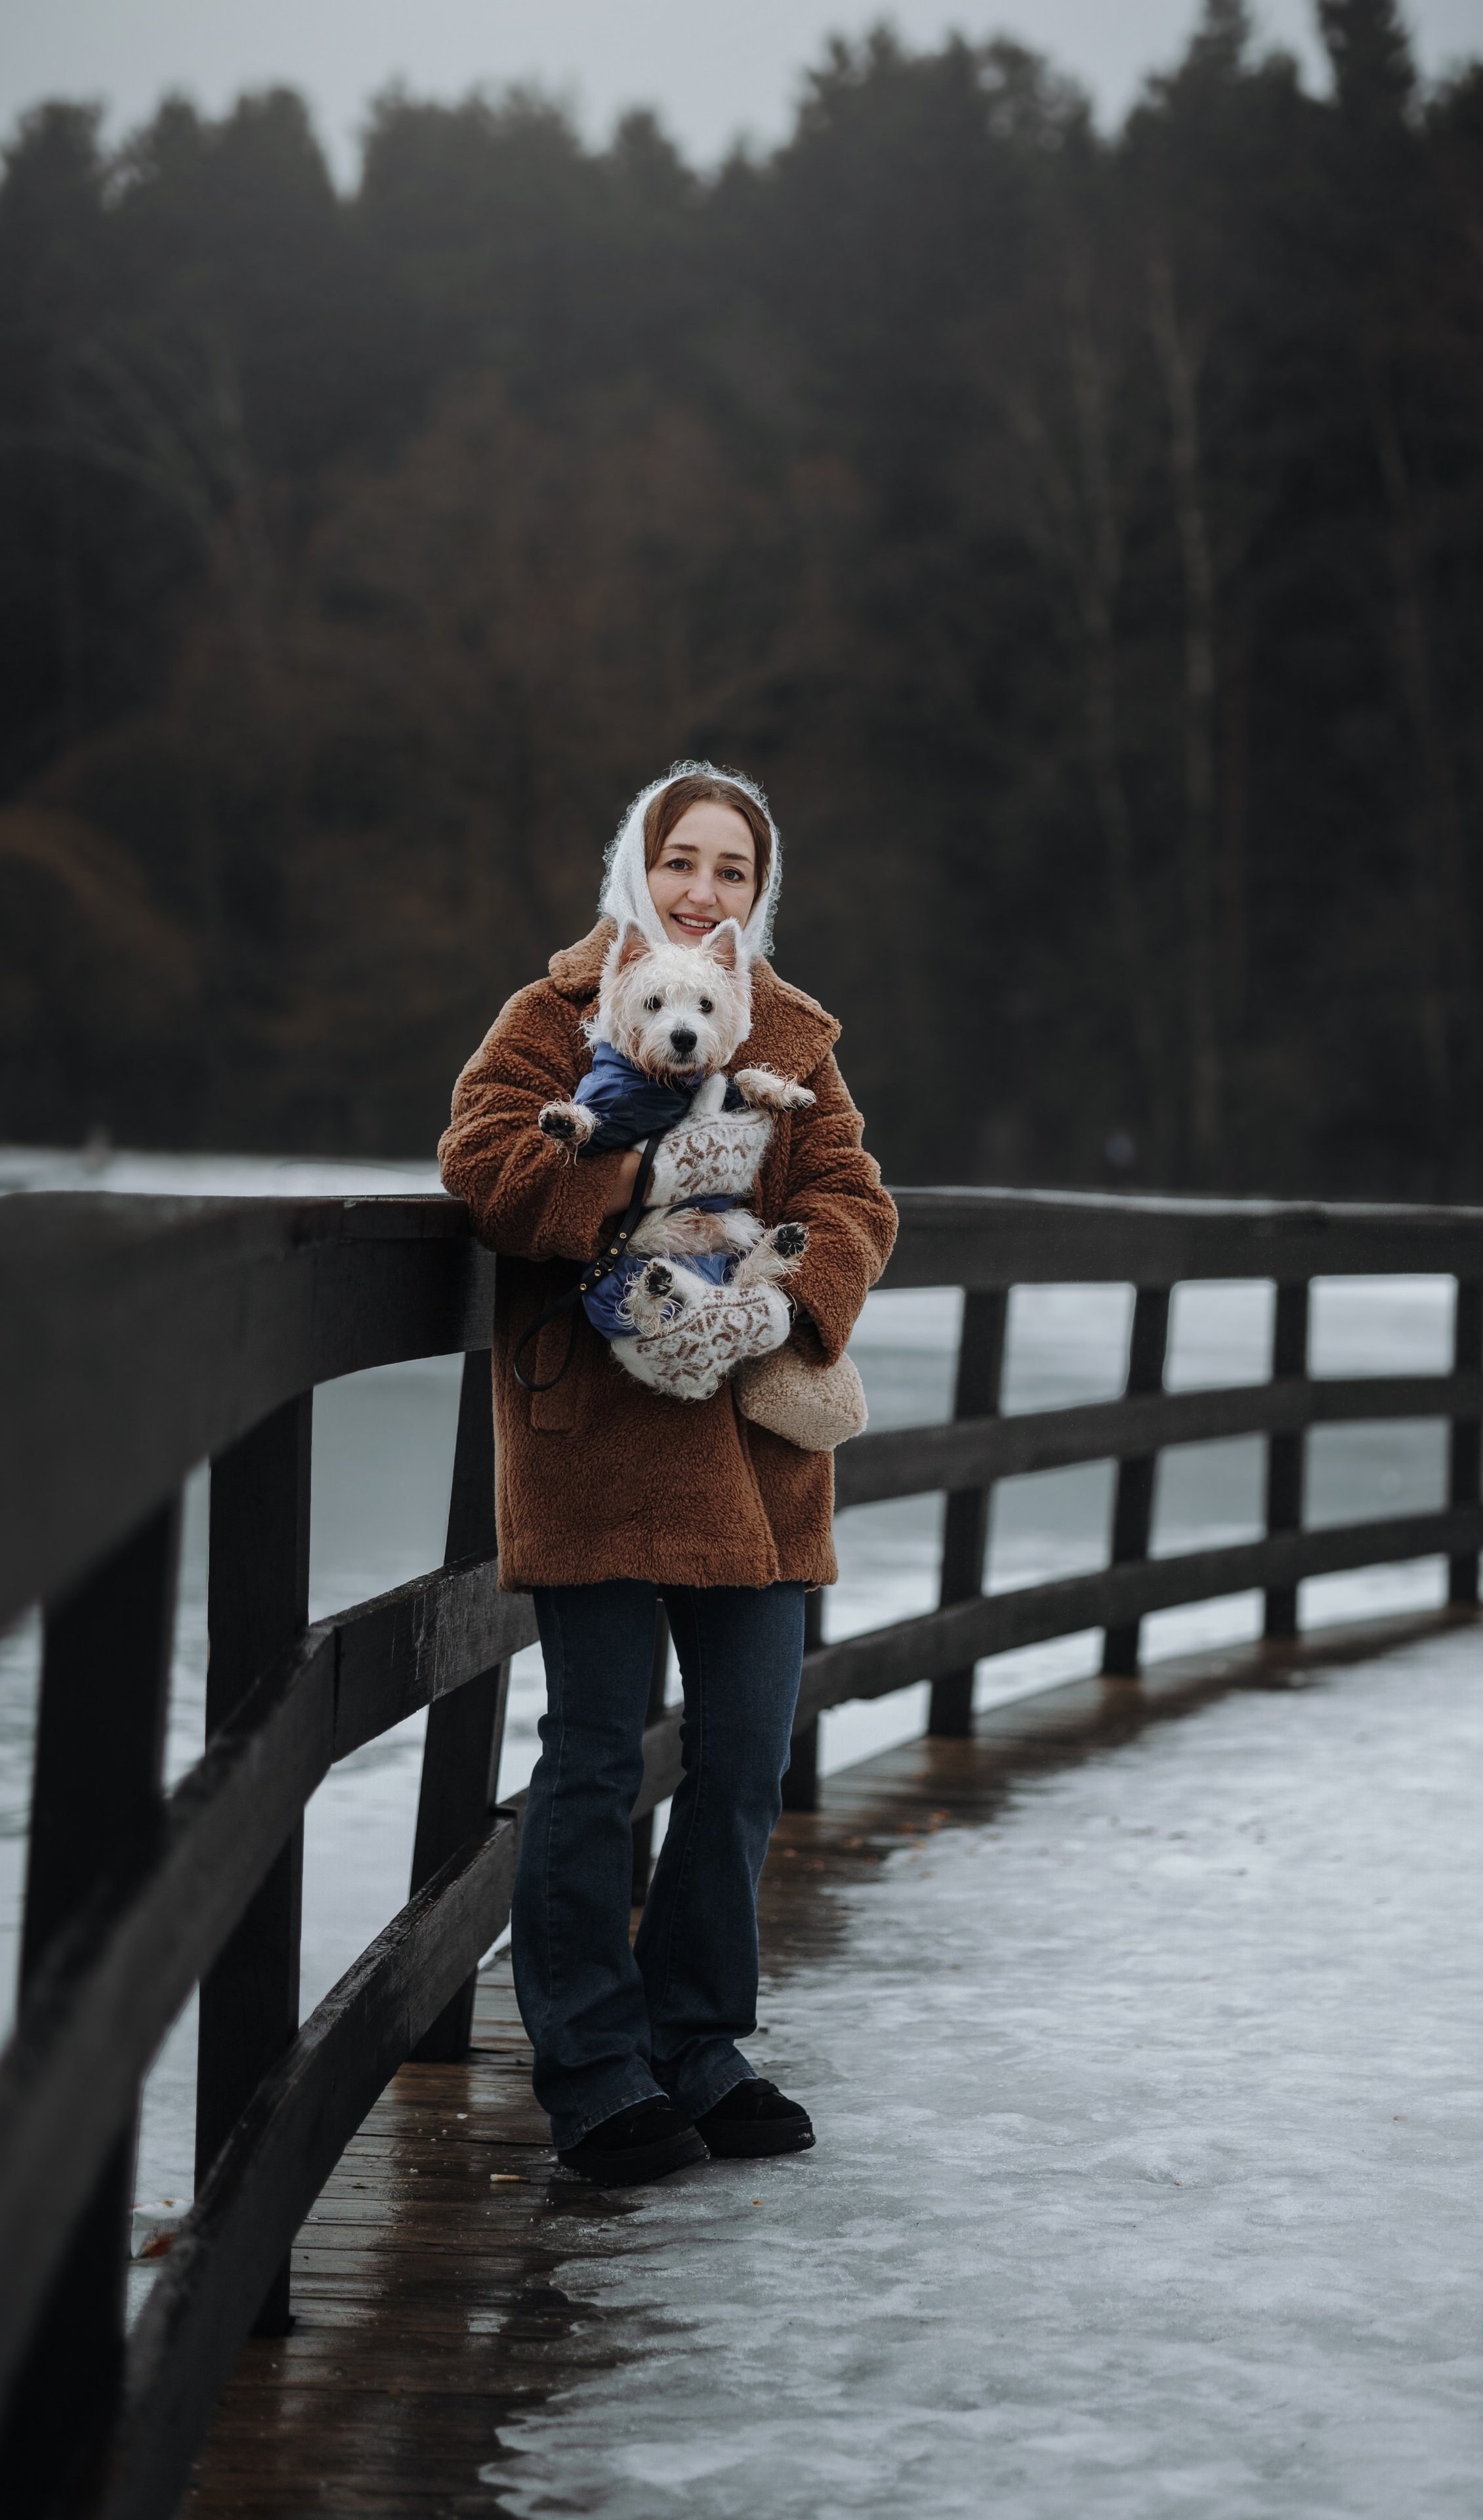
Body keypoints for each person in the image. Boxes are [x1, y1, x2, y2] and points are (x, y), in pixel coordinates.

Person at [438, 763, 896, 2185]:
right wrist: (635, 1183)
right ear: (636, 870)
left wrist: (779, 1297)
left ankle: (699, 2040)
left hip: (752, 1455)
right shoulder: (552, 1015)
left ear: (759, 895)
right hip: (596, 1441)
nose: (703, 888)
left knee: (747, 1749)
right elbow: (485, 1170)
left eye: (731, 871)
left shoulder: (791, 1038)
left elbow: (851, 1198)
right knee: (589, 1758)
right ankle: (592, 2064)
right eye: (680, 861)